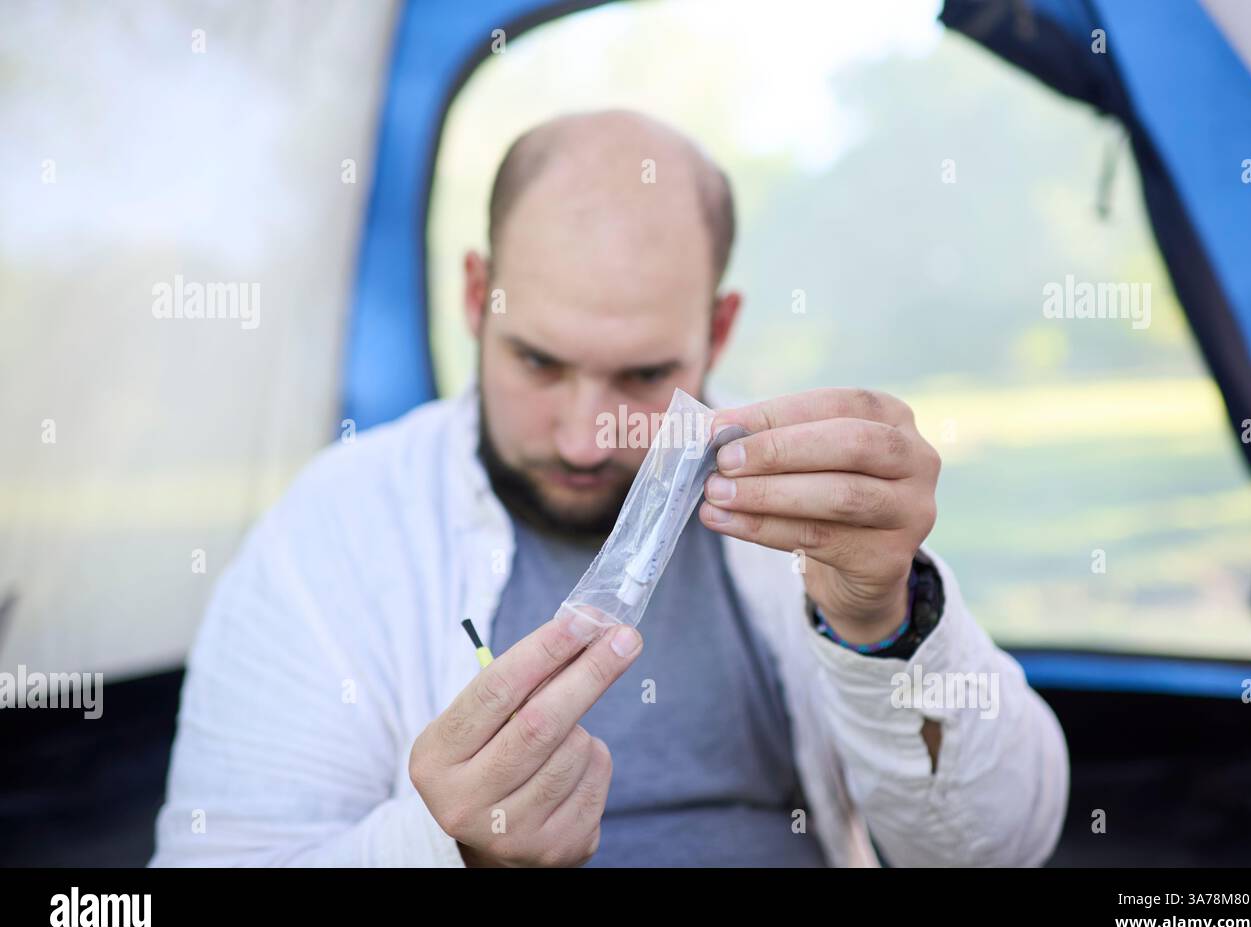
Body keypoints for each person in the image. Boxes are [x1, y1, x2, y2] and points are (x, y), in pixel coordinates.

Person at [151, 109, 1068, 867]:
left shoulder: (805, 501)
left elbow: (1002, 849)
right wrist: (445, 849)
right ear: (477, 298)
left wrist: (885, 623)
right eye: (538, 362)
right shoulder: (339, 530)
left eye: (641, 375)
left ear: (718, 328)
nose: (586, 434)